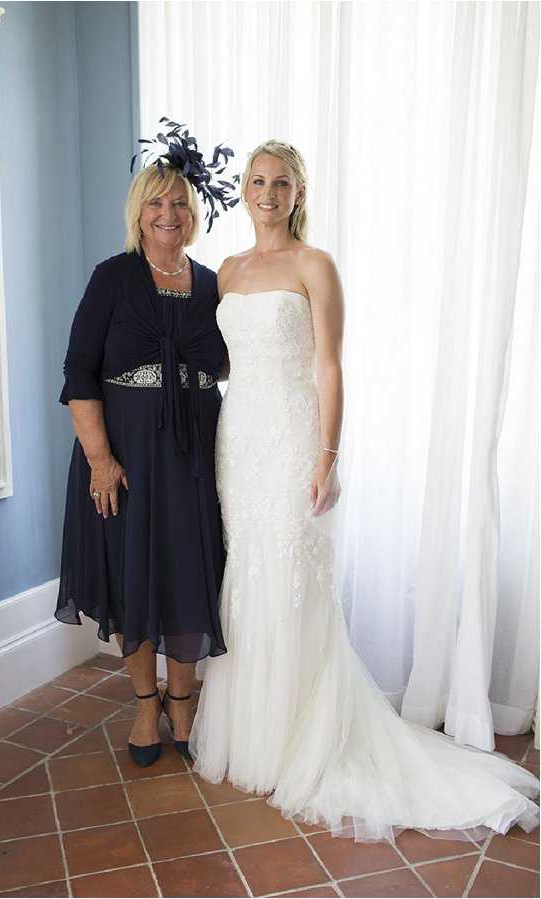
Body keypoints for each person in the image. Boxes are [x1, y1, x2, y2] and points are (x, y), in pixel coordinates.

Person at [189, 140, 539, 842]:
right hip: (239, 441)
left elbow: (328, 364)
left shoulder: (314, 265)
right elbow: (219, 359)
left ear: (298, 192)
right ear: (245, 189)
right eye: (257, 180)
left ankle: (299, 737)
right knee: (249, 576)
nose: (266, 192)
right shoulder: (225, 271)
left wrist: (327, 455)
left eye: (280, 181)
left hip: (292, 437)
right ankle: (252, 732)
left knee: (291, 577)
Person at [56, 125, 237, 767]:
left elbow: (234, 363)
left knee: (189, 572)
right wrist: (101, 461)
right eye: (156, 203)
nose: (169, 214)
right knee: (133, 576)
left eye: (180, 203)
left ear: (195, 214)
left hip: (192, 454)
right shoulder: (112, 278)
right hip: (124, 454)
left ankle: (182, 704)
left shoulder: (214, 284)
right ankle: (143, 704)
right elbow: (80, 375)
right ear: (139, 211)